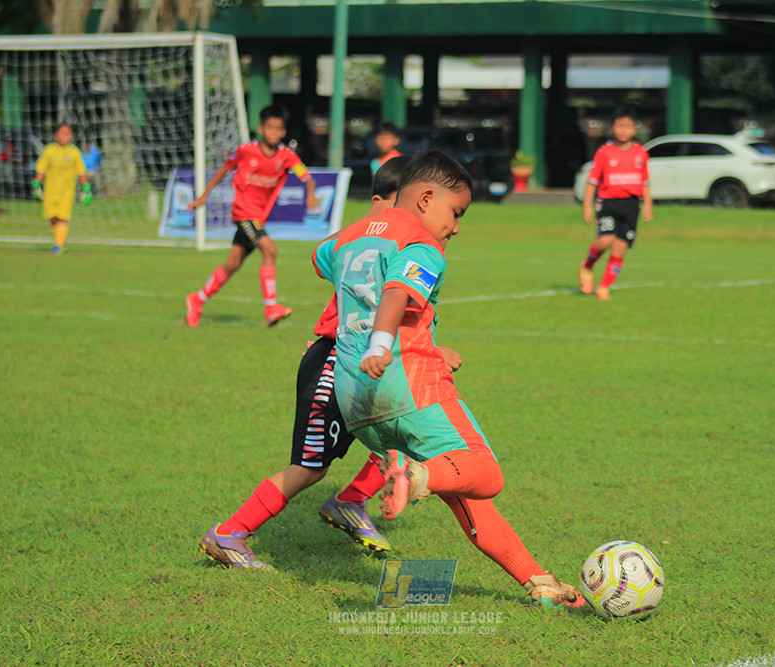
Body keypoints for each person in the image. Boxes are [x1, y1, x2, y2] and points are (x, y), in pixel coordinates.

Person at [312, 150, 583, 608]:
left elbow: (322, 259)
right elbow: (398, 289)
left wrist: (373, 229)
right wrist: (381, 343)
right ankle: (414, 476)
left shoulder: (346, 239)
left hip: (355, 396)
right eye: (455, 213)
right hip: (408, 384)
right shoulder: (422, 246)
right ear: (426, 198)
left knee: (463, 495)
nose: (455, 227)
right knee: (484, 472)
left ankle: (539, 582)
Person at [200, 156, 430, 570]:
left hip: (363, 362)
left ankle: (351, 501)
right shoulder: (381, 240)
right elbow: (329, 258)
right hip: (333, 362)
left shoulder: (387, 249)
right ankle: (230, 532)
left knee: (407, 438)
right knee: (309, 468)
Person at [185, 104, 320, 327]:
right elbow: (224, 169)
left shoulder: (287, 156)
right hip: (244, 212)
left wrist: (311, 195)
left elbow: (307, 177)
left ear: (284, 131)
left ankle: (197, 300)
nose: (274, 132)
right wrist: (204, 196)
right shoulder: (246, 151)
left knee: (233, 264)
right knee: (270, 250)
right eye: (270, 128)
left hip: (259, 216)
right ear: (261, 128)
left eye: (278, 129)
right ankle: (271, 308)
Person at [579, 106, 653, 300]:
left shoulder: (641, 153)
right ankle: (587, 265)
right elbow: (592, 180)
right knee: (605, 240)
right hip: (609, 203)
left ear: (634, 129)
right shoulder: (605, 152)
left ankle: (604, 286)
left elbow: (645, 181)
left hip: (631, 205)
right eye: (619, 126)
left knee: (620, 247)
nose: (623, 130)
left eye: (627, 126)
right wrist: (587, 205)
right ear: (613, 127)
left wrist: (647, 204)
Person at [33, 123, 91, 256]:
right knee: (53, 218)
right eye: (62, 133)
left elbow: (81, 172)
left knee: (63, 218)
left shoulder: (74, 152)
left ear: (71, 136)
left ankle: (58, 246)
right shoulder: (49, 150)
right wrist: (37, 184)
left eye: (68, 133)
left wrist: (86, 189)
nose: (65, 136)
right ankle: (61, 240)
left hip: (67, 192)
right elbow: (42, 169)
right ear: (56, 135)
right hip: (50, 192)